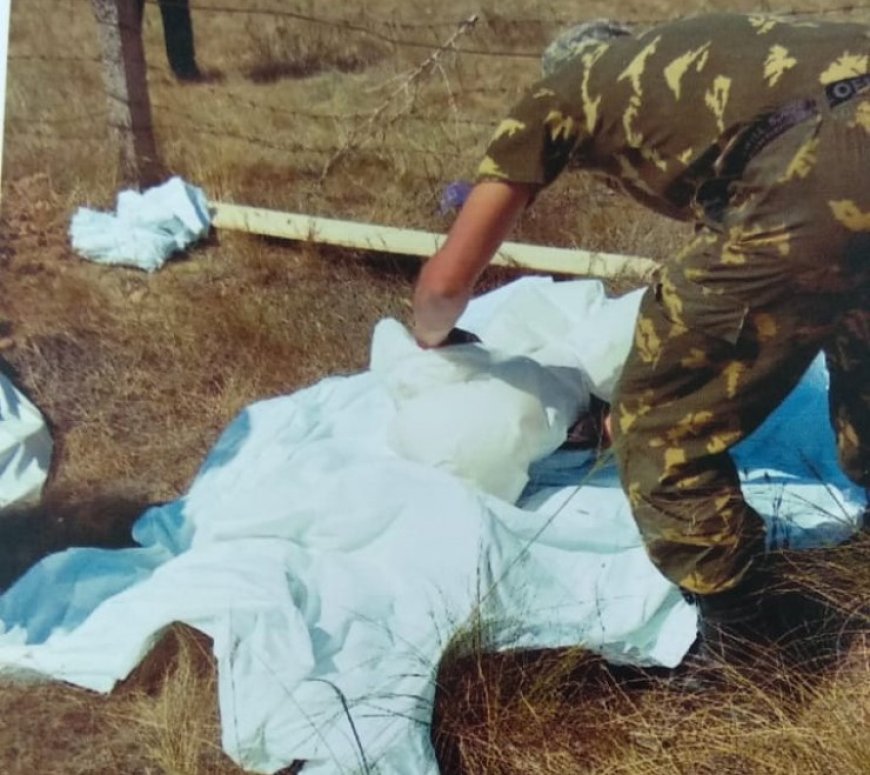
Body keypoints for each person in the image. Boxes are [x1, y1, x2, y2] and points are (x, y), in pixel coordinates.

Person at [411, 13, 869, 653]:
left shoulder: (563, 92)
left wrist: (429, 341)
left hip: (814, 194)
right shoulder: (699, 43)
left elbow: (444, 286)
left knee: (658, 421)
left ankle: (753, 640)